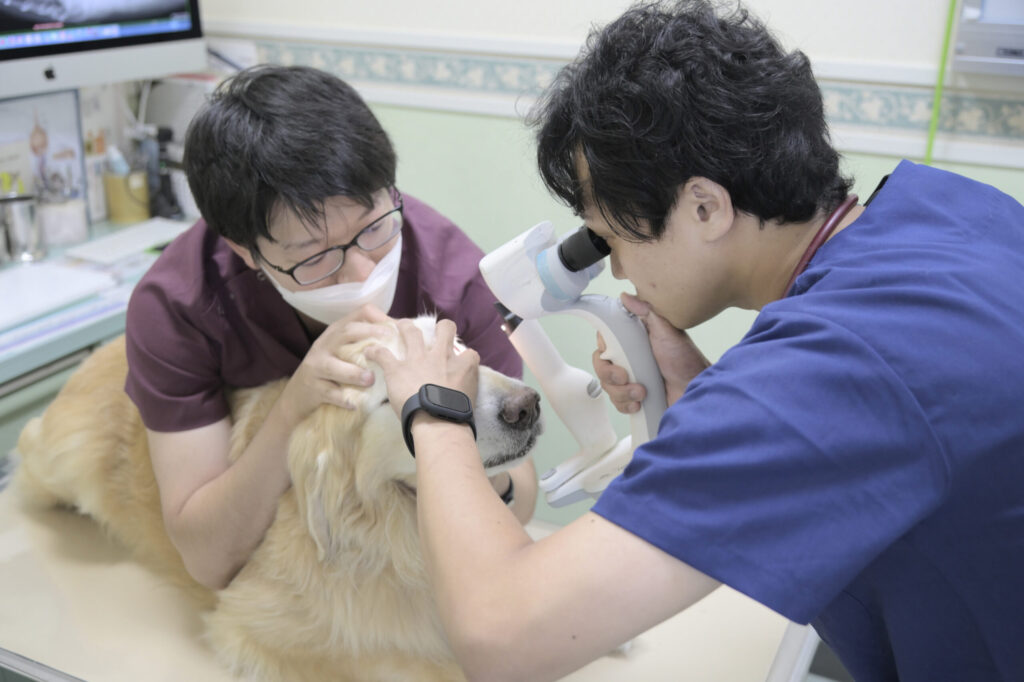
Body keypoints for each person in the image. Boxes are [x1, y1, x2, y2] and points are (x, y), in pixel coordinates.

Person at [367, 1, 1024, 681]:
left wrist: (434, 409)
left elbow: (500, 634)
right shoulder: (952, 209)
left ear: (705, 207)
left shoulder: (824, 375)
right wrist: (704, 401)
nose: (617, 268)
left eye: (611, 236)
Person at [123, 65, 537, 591]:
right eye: (315, 258)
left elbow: (519, 502)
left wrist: (466, 443)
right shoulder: (178, 309)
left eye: (374, 228)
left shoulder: (456, 284)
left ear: (389, 188)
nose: (363, 273)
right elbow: (207, 559)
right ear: (244, 251)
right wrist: (293, 408)